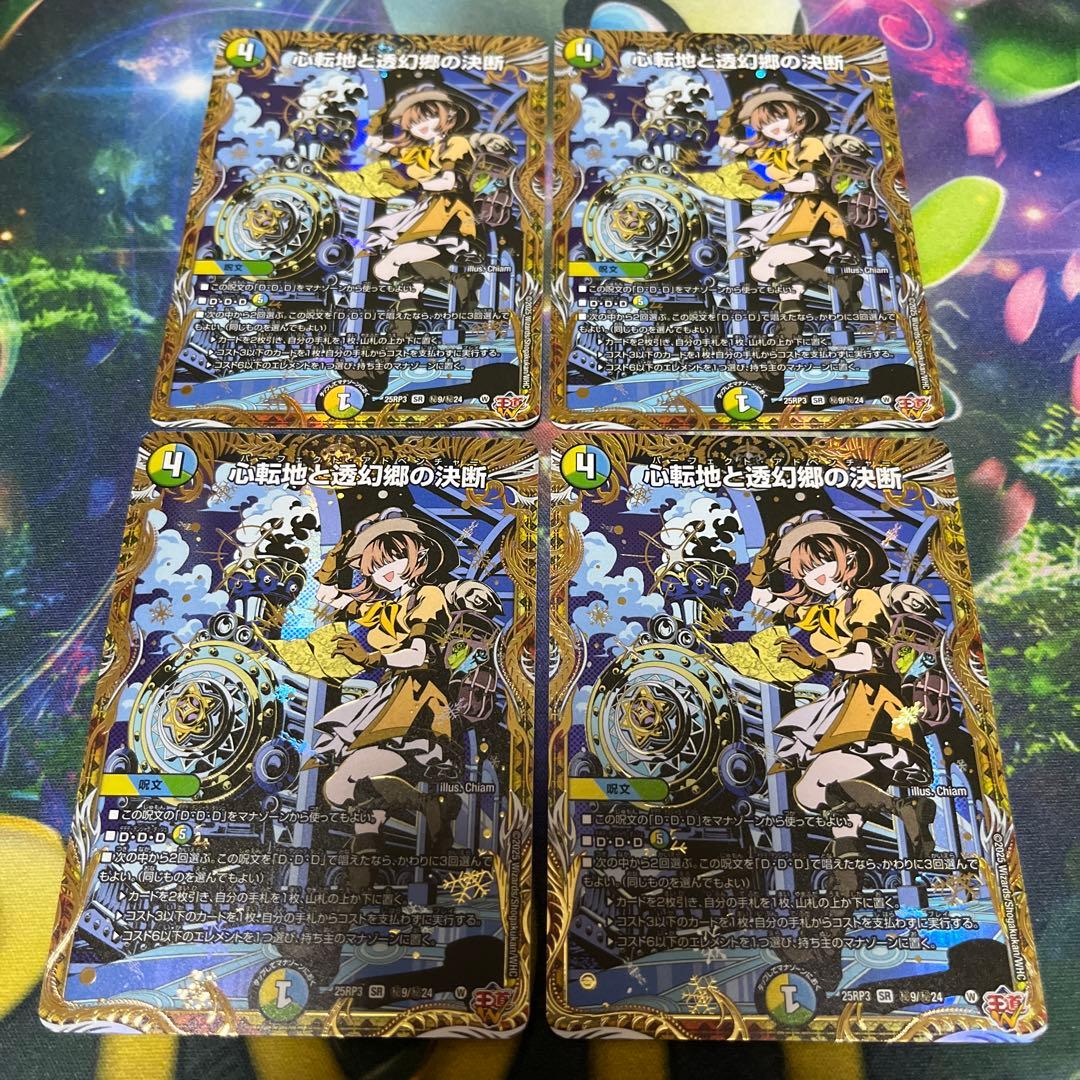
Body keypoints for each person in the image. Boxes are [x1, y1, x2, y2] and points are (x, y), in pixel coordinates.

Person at [746, 511, 936, 895]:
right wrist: (760, 568)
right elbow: (763, 599)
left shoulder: (864, 599)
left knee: (824, 780)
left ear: (848, 558)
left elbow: (867, 658)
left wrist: (816, 661)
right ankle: (841, 902)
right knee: (811, 796)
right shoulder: (828, 611)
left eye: (822, 564)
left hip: (872, 702)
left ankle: (903, 810)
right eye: (805, 571)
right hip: (845, 701)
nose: (815, 576)